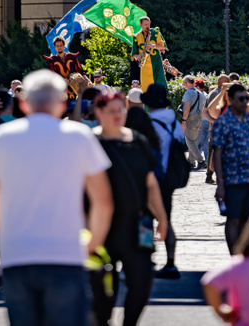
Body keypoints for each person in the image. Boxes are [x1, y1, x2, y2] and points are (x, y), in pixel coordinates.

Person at [0, 69, 113, 326]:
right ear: (62, 103)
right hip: (66, 254)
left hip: (17, 255)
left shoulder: (3, 137)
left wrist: (10, 233)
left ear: (24, 102)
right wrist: (93, 243)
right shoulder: (78, 135)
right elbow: (103, 201)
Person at [90, 91, 169, 326]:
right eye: (111, 111)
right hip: (100, 227)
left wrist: (162, 218)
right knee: (102, 287)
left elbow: (150, 182)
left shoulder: (137, 140)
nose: (117, 115)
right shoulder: (89, 143)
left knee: (142, 279)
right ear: (99, 113)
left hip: (139, 223)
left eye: (120, 110)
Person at [211, 83, 249, 253]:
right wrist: (220, 184)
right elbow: (217, 154)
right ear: (230, 99)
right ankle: (235, 255)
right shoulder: (223, 122)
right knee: (233, 219)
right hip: (232, 179)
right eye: (241, 99)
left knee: (246, 219)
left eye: (246, 98)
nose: (245, 102)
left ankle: (244, 254)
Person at [142, 83, 185, 279]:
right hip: (169, 179)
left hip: (149, 177)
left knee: (146, 221)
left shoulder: (147, 123)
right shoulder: (174, 123)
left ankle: (146, 260)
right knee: (166, 219)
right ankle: (170, 262)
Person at [130, 17, 167, 90]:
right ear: (141, 25)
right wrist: (137, 56)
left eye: (148, 24)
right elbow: (134, 53)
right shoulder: (137, 37)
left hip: (156, 64)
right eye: (145, 24)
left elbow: (163, 46)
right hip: (144, 66)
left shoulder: (155, 32)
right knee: (146, 88)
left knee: (159, 86)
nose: (147, 26)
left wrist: (154, 46)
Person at [179, 75, 207, 170]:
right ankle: (191, 162)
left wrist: (184, 120)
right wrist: (200, 120)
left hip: (191, 117)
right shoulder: (200, 92)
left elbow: (187, 107)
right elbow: (203, 107)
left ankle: (200, 160)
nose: (183, 85)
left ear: (186, 83)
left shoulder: (188, 93)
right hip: (199, 117)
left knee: (189, 140)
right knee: (193, 140)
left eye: (183, 83)